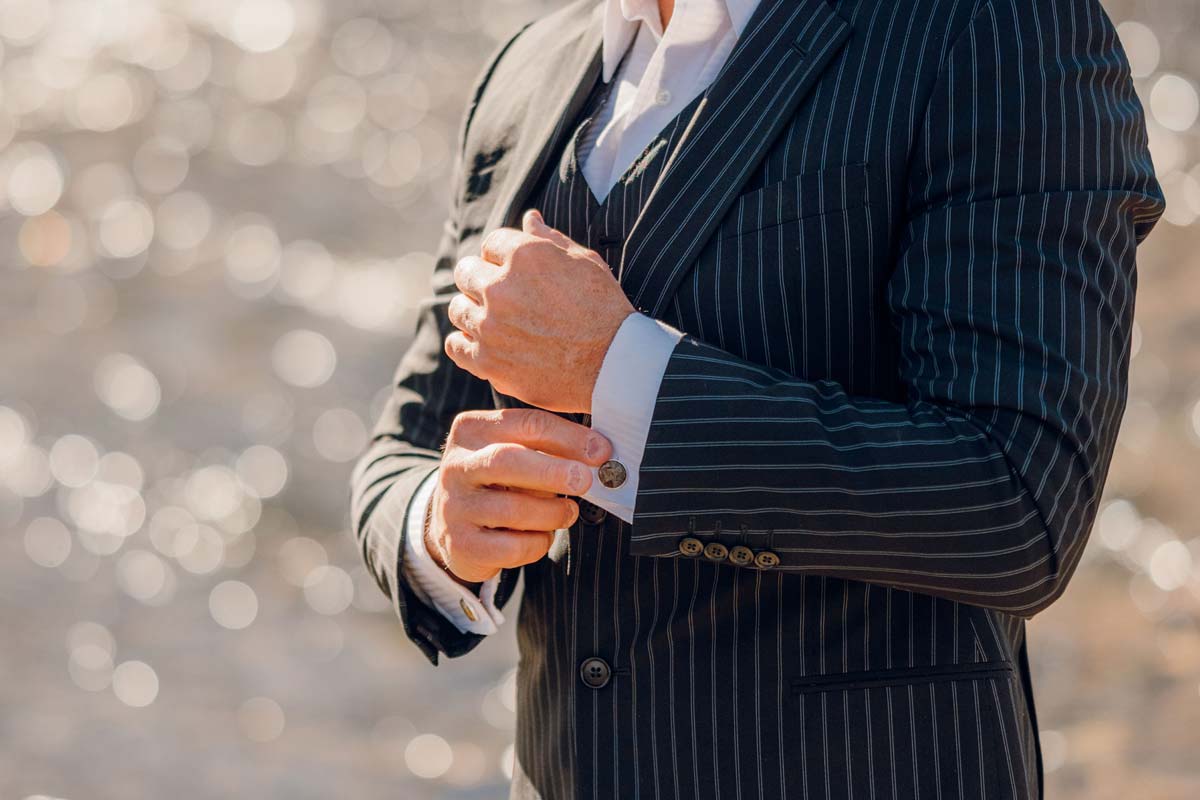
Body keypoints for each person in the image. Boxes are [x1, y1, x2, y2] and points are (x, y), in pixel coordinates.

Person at [350, 0, 1164, 797]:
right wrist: (442, 526)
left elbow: (1019, 500)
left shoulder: (997, 24)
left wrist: (619, 373)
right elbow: (406, 450)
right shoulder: (526, 71)